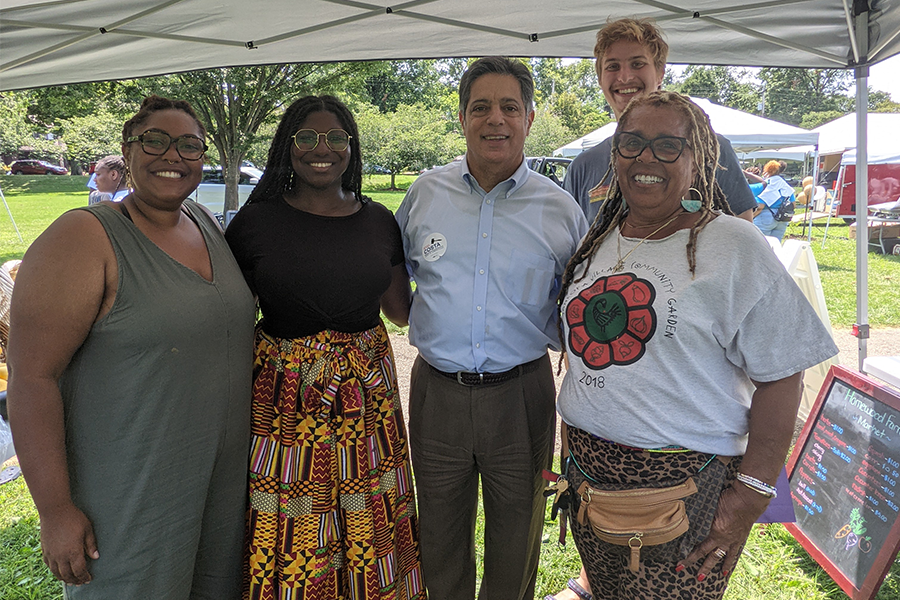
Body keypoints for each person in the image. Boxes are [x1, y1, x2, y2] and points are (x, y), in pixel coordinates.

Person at [554, 91, 837, 599]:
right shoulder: (601, 237)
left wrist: (748, 497)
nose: (646, 158)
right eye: (632, 143)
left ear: (698, 159)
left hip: (684, 491)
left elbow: (783, 375)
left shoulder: (731, 244)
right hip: (591, 478)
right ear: (615, 154)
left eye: (668, 146)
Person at [7, 95, 255, 598]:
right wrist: (54, 509)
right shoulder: (82, 237)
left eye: (189, 145)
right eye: (155, 141)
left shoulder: (204, 223)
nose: (174, 156)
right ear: (127, 150)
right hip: (129, 497)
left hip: (218, 495)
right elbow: (32, 379)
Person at [395, 57, 588, 600]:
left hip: (521, 393)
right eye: (481, 107)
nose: (494, 119)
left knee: (516, 534)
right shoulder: (424, 196)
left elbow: (579, 311)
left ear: (529, 117)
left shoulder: (560, 209)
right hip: (437, 392)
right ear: (461, 118)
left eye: (509, 107)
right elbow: (396, 278)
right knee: (438, 531)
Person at [225, 95, 425, 600]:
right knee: (291, 524)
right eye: (307, 137)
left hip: (367, 397)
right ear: (286, 147)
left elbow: (400, 311)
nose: (323, 149)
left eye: (336, 137)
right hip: (284, 401)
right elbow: (226, 315)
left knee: (371, 516)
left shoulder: (380, 221)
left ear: (352, 148)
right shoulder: (254, 224)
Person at [563, 18, 756, 226]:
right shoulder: (582, 167)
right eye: (613, 66)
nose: (625, 77)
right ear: (600, 79)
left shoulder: (710, 151)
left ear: (660, 73)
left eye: (637, 64)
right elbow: (573, 246)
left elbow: (742, 238)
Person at [753, 160, 796, 240]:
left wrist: (751, 217)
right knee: (776, 246)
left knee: (761, 244)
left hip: (765, 217)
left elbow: (760, 206)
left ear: (767, 171)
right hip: (782, 219)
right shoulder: (785, 186)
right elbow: (793, 204)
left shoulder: (768, 184)